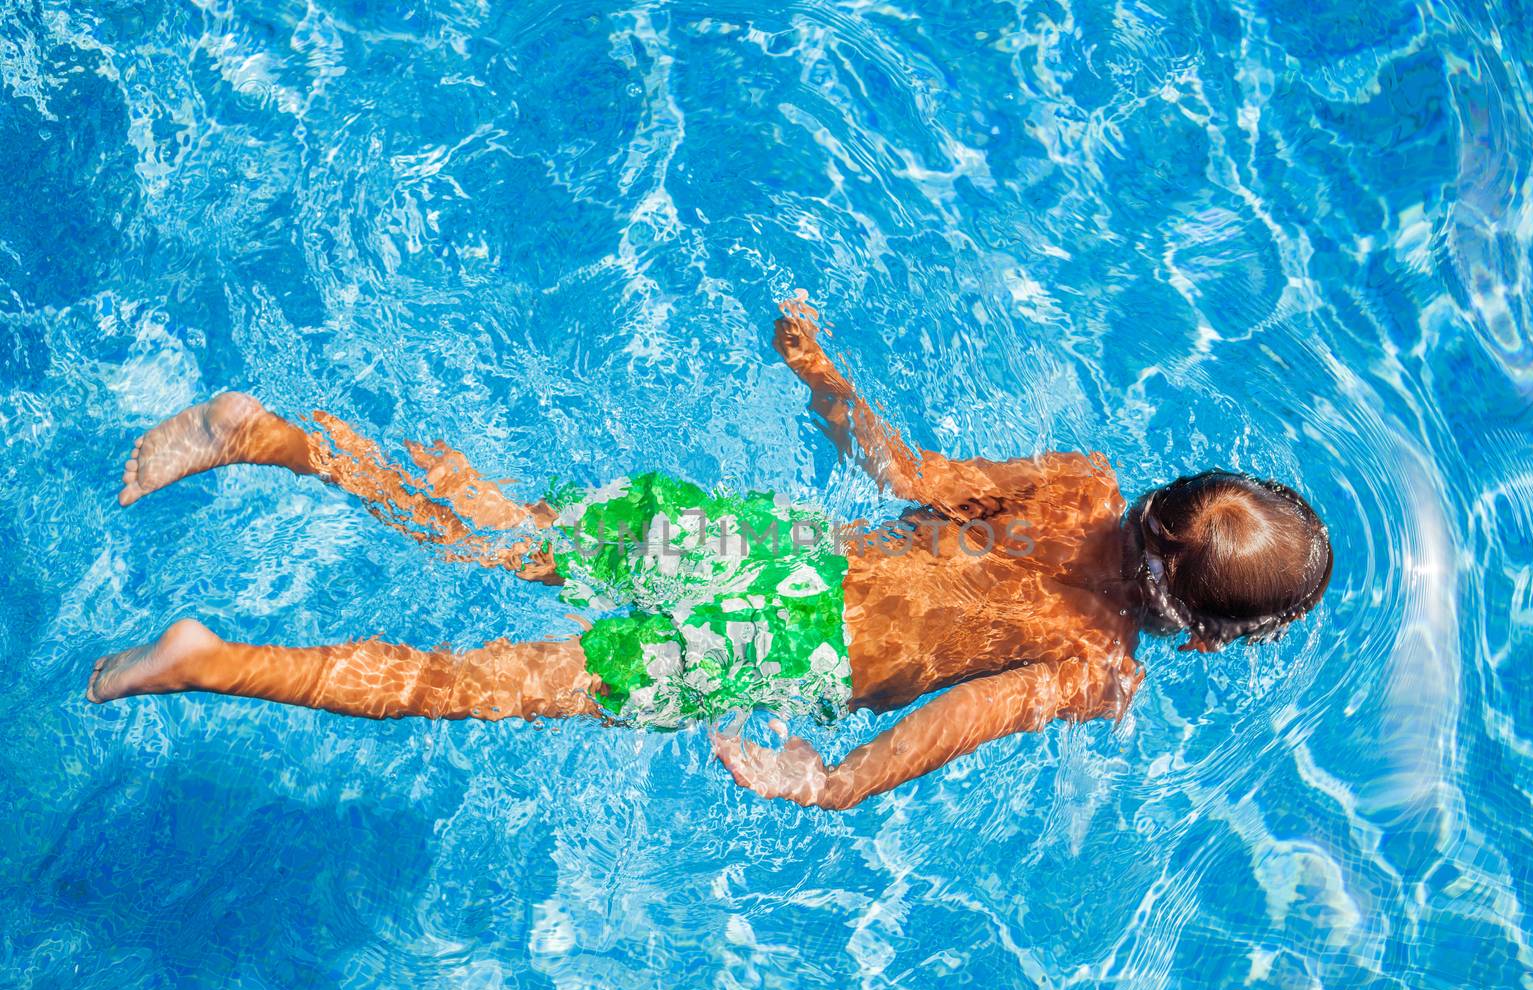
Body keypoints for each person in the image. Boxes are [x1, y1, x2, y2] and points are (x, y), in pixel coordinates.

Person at [86, 304, 1333, 809]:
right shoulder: (1092, 662)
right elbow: (954, 725)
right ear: (1214, 633)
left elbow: (901, 475)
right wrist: (830, 782)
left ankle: (274, 439)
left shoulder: (1079, 484)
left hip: (769, 546)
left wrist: (821, 373)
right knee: (471, 680)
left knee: (492, 529)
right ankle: (211, 658)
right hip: (776, 644)